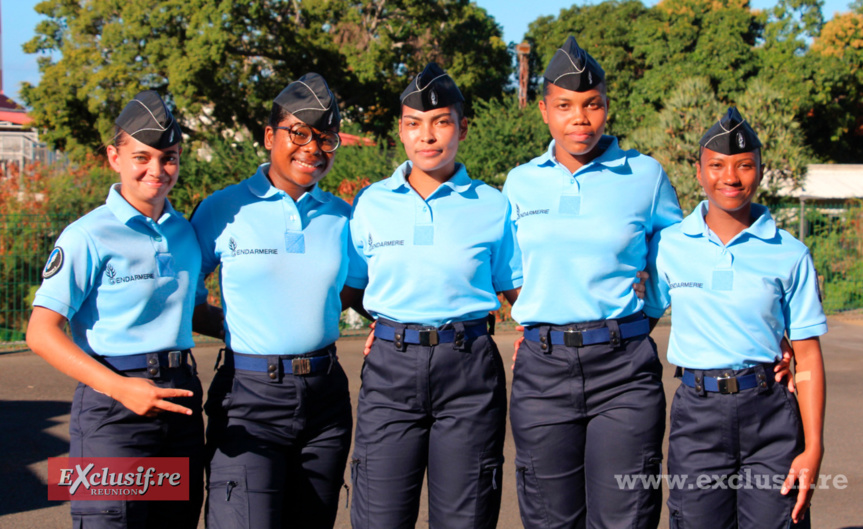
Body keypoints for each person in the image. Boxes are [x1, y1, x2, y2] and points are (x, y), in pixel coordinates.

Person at [501, 36, 683, 529]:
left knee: (626, 514)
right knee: (549, 516)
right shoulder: (520, 182)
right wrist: (534, 316)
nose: (579, 118)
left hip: (622, 367)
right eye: (565, 106)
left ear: (606, 107)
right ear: (544, 111)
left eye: (592, 104)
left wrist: (650, 310)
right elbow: (509, 267)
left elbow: (679, 250)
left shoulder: (644, 175)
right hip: (542, 370)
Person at [343, 62, 522, 529]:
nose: (427, 136)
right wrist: (388, 324)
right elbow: (351, 287)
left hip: (468, 370)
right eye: (413, 124)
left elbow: (516, 289)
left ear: (462, 128)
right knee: (379, 515)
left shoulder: (492, 204)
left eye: (440, 122)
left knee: (466, 516)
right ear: (400, 132)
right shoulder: (371, 203)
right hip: (390, 369)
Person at [26, 90, 203, 528]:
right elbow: (41, 332)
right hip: (113, 407)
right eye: (142, 157)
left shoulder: (185, 231)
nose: (157, 171)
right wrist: (120, 388)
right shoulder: (87, 234)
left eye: (169, 157)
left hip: (179, 401)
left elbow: (195, 312)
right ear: (114, 156)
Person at [644, 108, 827, 529]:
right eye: (718, 166)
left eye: (745, 165)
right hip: (698, 415)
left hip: (771, 417)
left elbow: (809, 357)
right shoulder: (668, 246)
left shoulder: (790, 252)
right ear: (699, 172)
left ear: (760, 171)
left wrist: (813, 446)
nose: (731, 177)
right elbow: (640, 319)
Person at [190, 73, 354, 529]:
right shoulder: (223, 209)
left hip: (325, 399)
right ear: (269, 136)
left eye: (325, 138)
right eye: (298, 133)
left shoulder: (343, 216)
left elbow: (360, 288)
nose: (312, 148)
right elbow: (180, 294)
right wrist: (238, 325)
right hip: (249, 397)